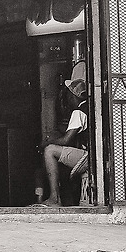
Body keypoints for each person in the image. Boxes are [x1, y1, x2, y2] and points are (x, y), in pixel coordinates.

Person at [41, 61, 89, 206]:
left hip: (87, 157)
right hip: (92, 155)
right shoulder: (91, 107)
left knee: (49, 151)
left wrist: (48, 142)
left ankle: (55, 198)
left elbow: (66, 140)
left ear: (73, 96)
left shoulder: (78, 112)